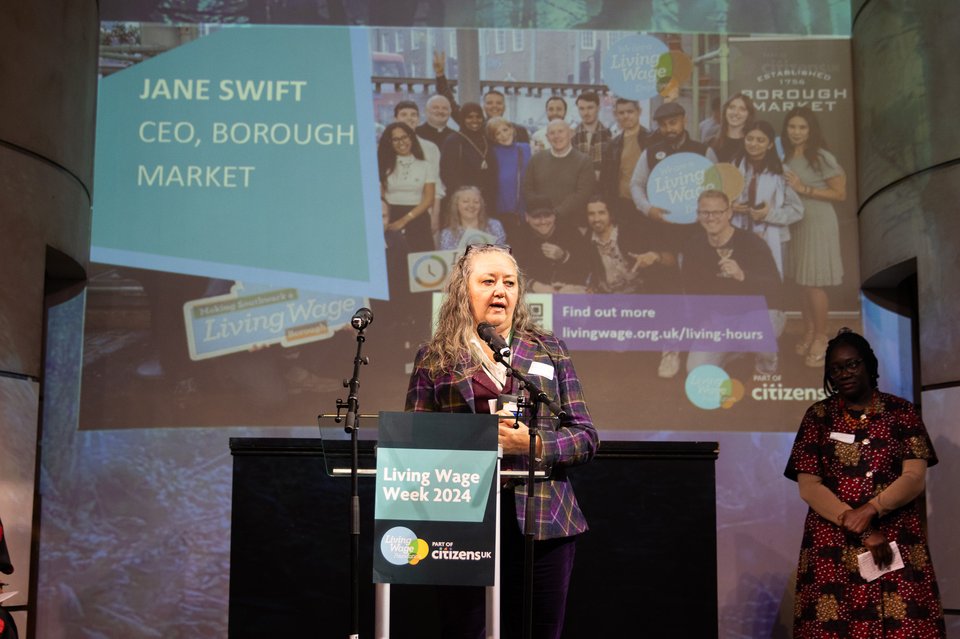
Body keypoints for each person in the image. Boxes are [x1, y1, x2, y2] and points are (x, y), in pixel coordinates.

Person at [405, 243, 599, 639]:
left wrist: (533, 445)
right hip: (462, 525)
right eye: (488, 280)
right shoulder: (435, 357)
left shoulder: (549, 350)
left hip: (544, 523)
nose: (501, 291)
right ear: (464, 290)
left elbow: (585, 437)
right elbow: (414, 445)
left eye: (509, 282)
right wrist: (477, 442)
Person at [784, 329, 946, 639]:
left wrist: (872, 509)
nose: (844, 374)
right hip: (832, 544)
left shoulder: (902, 412)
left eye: (852, 364)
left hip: (897, 540)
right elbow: (809, 486)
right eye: (836, 368)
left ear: (869, 365)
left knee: (906, 626)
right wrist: (857, 523)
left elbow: (914, 478)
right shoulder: (818, 416)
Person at [680, 190, 783, 376]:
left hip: (756, 313)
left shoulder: (751, 242)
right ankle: (738, 350)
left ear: (729, 213)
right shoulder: (693, 246)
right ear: (698, 215)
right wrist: (702, 321)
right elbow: (692, 291)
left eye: (717, 212)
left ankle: (765, 365)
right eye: (705, 212)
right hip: (720, 318)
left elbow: (775, 287)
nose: (711, 218)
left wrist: (743, 276)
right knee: (696, 371)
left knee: (758, 334)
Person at [781, 106, 847, 369]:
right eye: (792, 127)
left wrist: (803, 188)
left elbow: (840, 193)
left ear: (811, 130)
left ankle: (821, 337)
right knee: (800, 281)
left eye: (802, 127)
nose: (796, 132)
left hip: (818, 223)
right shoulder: (785, 155)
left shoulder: (820, 156)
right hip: (795, 223)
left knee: (813, 283)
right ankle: (809, 330)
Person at [732, 120, 803, 279]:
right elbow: (718, 204)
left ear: (770, 144)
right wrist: (732, 207)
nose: (753, 144)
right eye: (749, 138)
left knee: (770, 284)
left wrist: (769, 214)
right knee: (741, 282)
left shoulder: (781, 172)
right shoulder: (733, 168)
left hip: (773, 238)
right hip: (739, 237)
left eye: (760, 140)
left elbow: (797, 211)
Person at [583, 195, 676, 294]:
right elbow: (591, 273)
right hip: (611, 299)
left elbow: (672, 260)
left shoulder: (632, 233)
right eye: (591, 214)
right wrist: (593, 286)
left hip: (641, 295)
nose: (596, 219)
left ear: (610, 214)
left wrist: (655, 256)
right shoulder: (587, 240)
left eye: (601, 213)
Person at [522, 119, 596, 225]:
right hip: (541, 222)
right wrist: (541, 212)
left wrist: (555, 214)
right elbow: (527, 188)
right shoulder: (536, 159)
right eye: (552, 133)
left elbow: (582, 194)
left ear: (571, 134)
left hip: (571, 223)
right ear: (547, 137)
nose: (557, 136)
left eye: (561, 131)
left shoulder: (584, 161)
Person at [378, 121, 436, 253]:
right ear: (390, 143)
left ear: (411, 138)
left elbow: (429, 199)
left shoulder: (425, 166)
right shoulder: (383, 165)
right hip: (390, 217)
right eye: (395, 139)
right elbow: (380, 196)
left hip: (417, 217)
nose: (401, 142)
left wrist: (404, 220)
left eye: (404, 137)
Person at [512, 197, 592, 294]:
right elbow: (512, 269)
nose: (543, 221)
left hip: (569, 288)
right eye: (536, 217)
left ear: (554, 215)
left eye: (547, 215)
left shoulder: (571, 232)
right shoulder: (519, 236)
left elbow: (586, 265)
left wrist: (564, 256)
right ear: (527, 217)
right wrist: (534, 284)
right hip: (533, 290)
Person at [394, 100, 445, 235]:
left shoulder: (430, 147)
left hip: (423, 211)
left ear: (418, 119)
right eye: (403, 114)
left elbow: (437, 185)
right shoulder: (386, 148)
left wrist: (435, 216)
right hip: (394, 210)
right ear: (396, 119)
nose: (409, 118)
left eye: (413, 115)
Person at [440, 102, 498, 210]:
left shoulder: (488, 139)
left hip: (488, 199)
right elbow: (447, 173)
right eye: (469, 117)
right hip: (464, 200)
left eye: (478, 117)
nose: (475, 121)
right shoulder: (453, 140)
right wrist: (465, 195)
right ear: (462, 119)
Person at [598, 97, 651, 213]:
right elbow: (605, 180)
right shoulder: (612, 145)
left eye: (630, 111)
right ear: (615, 115)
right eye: (621, 113)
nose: (626, 116)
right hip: (622, 204)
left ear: (639, 112)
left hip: (647, 203)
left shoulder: (652, 140)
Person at [486, 116, 531, 239]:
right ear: (493, 138)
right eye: (497, 134)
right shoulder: (491, 153)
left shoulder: (526, 148)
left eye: (505, 130)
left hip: (523, 210)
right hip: (500, 212)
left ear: (512, 129)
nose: (503, 135)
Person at [438, 186, 506, 251]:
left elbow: (504, 255)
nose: (471, 205)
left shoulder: (494, 226)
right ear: (456, 205)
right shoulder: (447, 234)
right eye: (465, 201)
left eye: (476, 202)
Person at [572, 91, 612, 177]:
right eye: (581, 109)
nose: (586, 113)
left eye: (590, 108)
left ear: (598, 108)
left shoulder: (610, 136)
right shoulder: (572, 136)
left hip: (603, 187)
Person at [707, 92, 756, 163]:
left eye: (742, 109)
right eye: (732, 107)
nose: (735, 113)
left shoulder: (754, 145)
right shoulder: (711, 143)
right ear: (725, 111)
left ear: (749, 114)